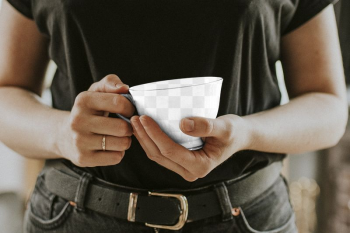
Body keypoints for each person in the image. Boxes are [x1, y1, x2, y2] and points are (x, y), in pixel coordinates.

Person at [0, 0, 347, 232]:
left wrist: (247, 133)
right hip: (77, 217)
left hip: (246, 218)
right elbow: (6, 91)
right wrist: (61, 133)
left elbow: (328, 105)